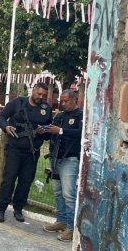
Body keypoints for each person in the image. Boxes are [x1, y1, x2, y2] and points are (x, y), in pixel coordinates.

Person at [0, 82, 52, 223]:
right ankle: (1, 209)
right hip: (14, 149)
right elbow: (1, 116)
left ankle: (18, 208)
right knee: (9, 179)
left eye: (44, 96)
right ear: (33, 91)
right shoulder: (17, 102)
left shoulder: (46, 109)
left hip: (32, 152)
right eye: (39, 94)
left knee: (26, 181)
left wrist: (44, 132)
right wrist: (5, 127)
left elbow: (49, 132)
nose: (41, 97)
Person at [41, 90, 83, 242]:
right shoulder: (59, 115)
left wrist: (61, 131)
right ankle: (61, 221)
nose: (63, 104)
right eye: (62, 101)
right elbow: (53, 132)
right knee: (58, 192)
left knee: (69, 195)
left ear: (75, 100)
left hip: (70, 160)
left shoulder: (80, 116)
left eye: (66, 101)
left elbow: (81, 133)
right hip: (55, 158)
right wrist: (45, 130)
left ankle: (71, 228)